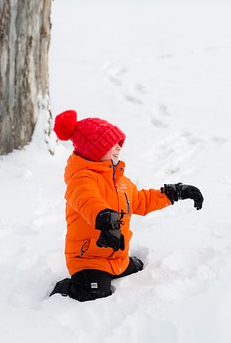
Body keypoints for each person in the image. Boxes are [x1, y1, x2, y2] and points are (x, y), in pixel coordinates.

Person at [50, 109, 204, 302]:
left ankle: (120, 265)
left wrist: (175, 193)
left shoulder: (120, 181)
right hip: (88, 260)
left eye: (119, 143)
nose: (118, 148)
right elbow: (88, 201)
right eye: (111, 144)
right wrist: (106, 219)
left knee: (139, 269)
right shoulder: (81, 179)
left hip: (117, 258)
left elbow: (141, 201)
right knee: (96, 293)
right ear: (94, 150)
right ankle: (64, 288)